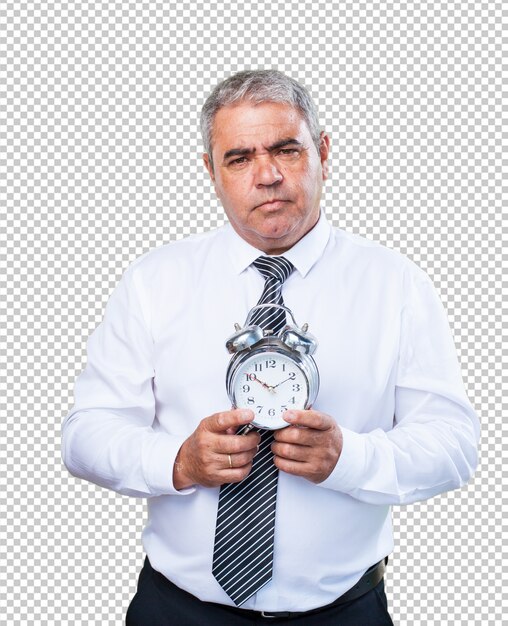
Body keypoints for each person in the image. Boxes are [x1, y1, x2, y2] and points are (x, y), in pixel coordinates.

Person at [62, 70, 479, 625]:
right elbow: (85, 435)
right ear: (211, 172)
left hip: (343, 613)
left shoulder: (396, 284)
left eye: (286, 149)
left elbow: (454, 446)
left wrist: (349, 459)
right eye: (238, 158)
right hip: (176, 611)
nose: (267, 176)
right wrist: (179, 462)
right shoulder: (152, 282)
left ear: (324, 152)